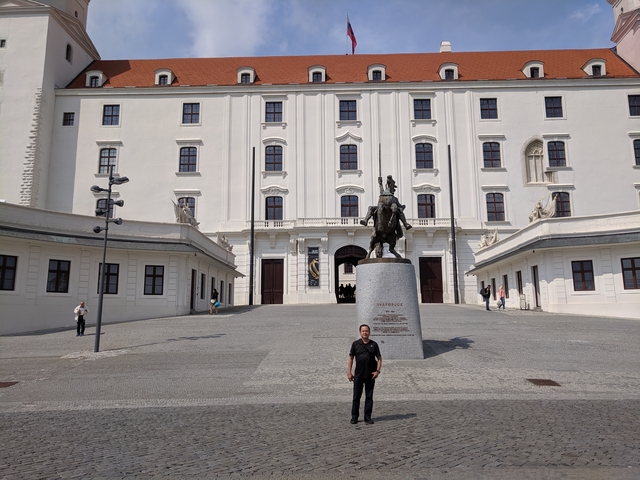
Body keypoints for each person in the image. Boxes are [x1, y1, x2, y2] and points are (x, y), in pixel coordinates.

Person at [347, 324, 382, 425]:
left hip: (370, 375)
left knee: (369, 397)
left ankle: (367, 417)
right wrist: (349, 372)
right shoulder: (355, 344)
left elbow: (379, 358)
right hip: (358, 375)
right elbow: (351, 358)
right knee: (356, 397)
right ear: (360, 332)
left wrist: (377, 371)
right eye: (363, 331)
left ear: (369, 332)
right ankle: (354, 417)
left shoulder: (374, 344)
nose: (365, 333)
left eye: (366, 331)